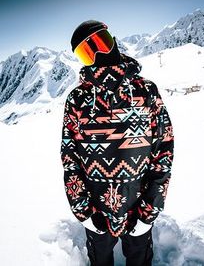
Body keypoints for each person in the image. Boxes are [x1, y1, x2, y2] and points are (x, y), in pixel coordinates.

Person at [60, 20, 174, 266]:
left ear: (113, 40)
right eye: (87, 51)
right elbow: (70, 158)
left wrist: (149, 212)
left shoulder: (146, 91)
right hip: (97, 211)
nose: (100, 53)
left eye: (102, 42)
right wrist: (84, 212)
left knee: (140, 260)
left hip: (139, 206)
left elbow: (163, 152)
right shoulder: (77, 100)